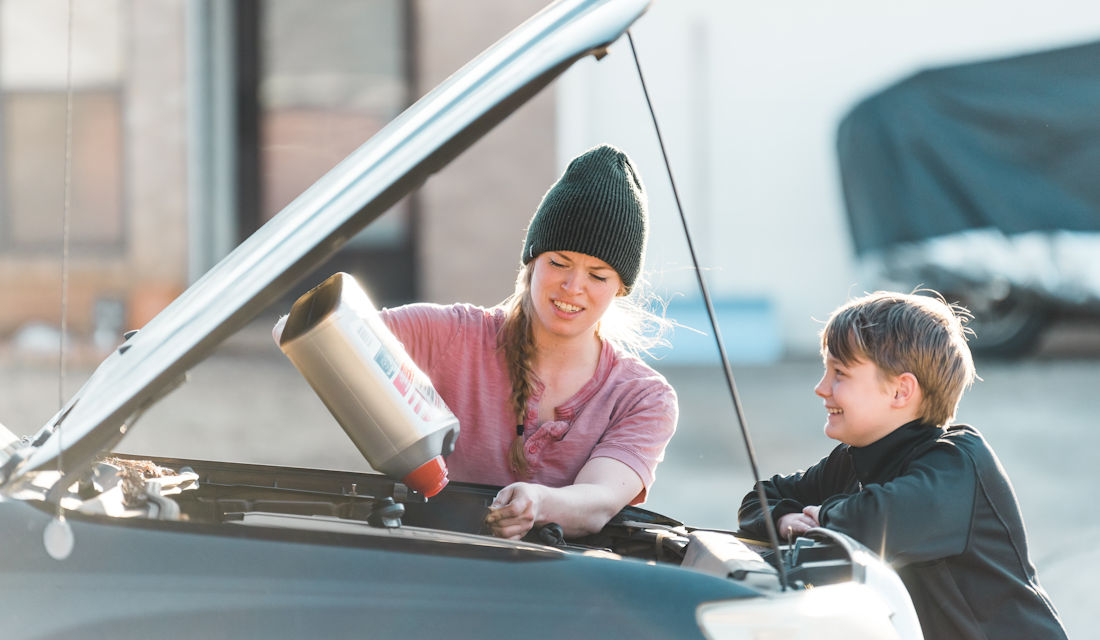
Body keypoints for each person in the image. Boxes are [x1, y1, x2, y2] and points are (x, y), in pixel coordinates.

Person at [378, 144, 678, 540]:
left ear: (620, 287)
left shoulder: (643, 398)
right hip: (430, 570)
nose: (573, 287)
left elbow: (599, 501)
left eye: (598, 275)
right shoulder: (450, 335)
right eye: (559, 263)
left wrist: (537, 503)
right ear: (532, 260)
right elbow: (333, 336)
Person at [737, 290, 1067, 639]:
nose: (821, 388)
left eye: (840, 373)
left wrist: (821, 516)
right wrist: (787, 520)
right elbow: (759, 499)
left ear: (900, 392)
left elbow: (874, 522)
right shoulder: (853, 460)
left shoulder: (959, 462)